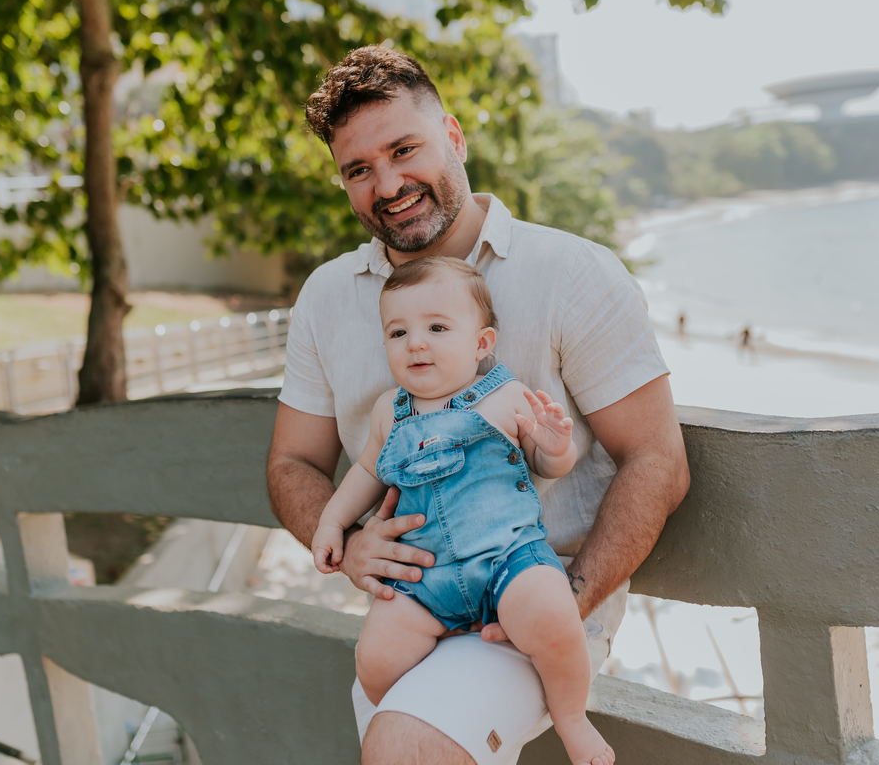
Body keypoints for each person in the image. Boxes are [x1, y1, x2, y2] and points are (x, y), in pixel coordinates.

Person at [266, 44, 690, 765]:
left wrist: (564, 599)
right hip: (411, 612)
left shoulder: (571, 272)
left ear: (454, 138)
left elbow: (658, 460)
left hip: (533, 601)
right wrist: (350, 545)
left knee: (402, 748)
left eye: (405, 149)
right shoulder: (327, 297)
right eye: (359, 169)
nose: (389, 183)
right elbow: (292, 463)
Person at [312, 256, 613, 765]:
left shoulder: (504, 396)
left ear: (481, 344)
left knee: (553, 617)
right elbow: (366, 473)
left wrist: (555, 444)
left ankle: (572, 719)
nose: (416, 343)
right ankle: (410, 709)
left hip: (508, 561)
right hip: (425, 579)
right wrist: (331, 522)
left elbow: (546, 463)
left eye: (436, 327)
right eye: (398, 332)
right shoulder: (391, 410)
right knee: (375, 657)